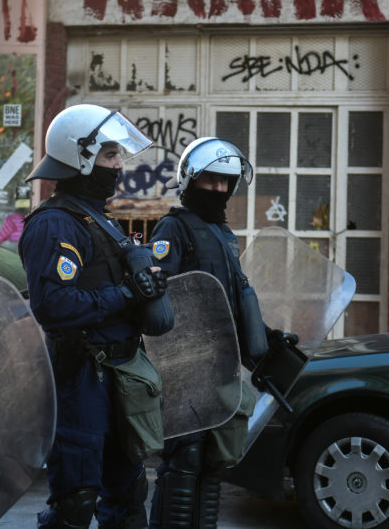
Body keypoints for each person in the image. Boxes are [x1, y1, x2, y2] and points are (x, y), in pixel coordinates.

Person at [19, 104, 171, 529]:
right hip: (82, 377)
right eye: (109, 155)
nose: (119, 165)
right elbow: (53, 307)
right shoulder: (55, 224)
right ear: (80, 157)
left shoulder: (99, 219)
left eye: (119, 155)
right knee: (76, 501)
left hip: (120, 374)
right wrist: (126, 292)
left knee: (127, 499)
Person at [147, 137, 286, 529]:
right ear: (191, 180)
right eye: (211, 181)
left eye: (227, 182)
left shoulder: (224, 235)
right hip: (185, 367)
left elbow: (234, 296)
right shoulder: (172, 228)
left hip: (221, 366)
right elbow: (159, 302)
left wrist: (265, 335)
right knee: (185, 458)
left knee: (214, 459)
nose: (220, 190)